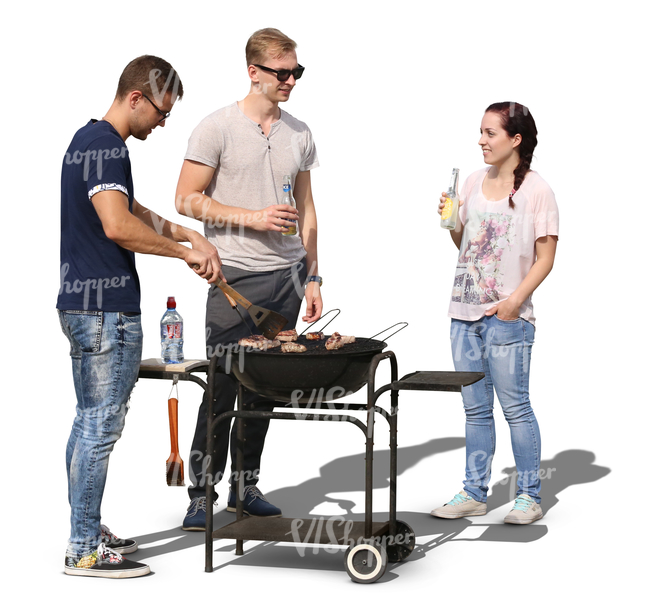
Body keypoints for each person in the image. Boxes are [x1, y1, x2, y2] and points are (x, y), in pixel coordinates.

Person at [57, 55, 223, 578]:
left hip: (81, 307)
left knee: (88, 422)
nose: (163, 123)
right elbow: (116, 227)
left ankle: (86, 525)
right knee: (101, 426)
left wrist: (182, 231)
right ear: (136, 98)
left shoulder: (87, 141)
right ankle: (83, 546)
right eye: (162, 112)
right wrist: (184, 255)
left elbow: (128, 209)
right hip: (106, 313)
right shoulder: (106, 145)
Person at [175, 28, 322, 529]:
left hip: (287, 277)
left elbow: (307, 209)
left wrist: (315, 276)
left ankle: (245, 486)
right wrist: (252, 217)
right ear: (253, 72)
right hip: (234, 277)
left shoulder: (299, 132)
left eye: (296, 72)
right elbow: (186, 199)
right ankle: (200, 494)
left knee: (263, 390)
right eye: (282, 73)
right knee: (220, 385)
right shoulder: (215, 127)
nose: (291, 81)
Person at [431, 102, 558, 524]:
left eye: (490, 133)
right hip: (463, 313)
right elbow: (466, 248)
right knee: (474, 410)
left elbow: (545, 258)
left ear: (515, 139)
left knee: (515, 406)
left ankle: (529, 496)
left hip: (507, 317)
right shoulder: (471, 181)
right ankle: (473, 492)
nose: (481, 141)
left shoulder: (537, 190)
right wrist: (451, 222)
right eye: (480, 132)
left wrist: (513, 303)